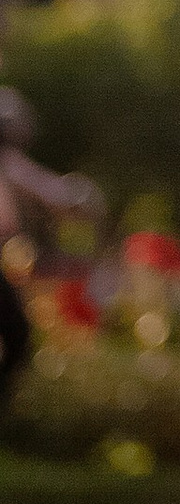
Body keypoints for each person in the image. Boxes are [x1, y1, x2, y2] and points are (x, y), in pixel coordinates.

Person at [0, 89, 104, 417]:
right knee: (17, 333)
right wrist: (78, 198)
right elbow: (50, 192)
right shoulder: (6, 160)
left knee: (17, 334)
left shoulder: (8, 162)